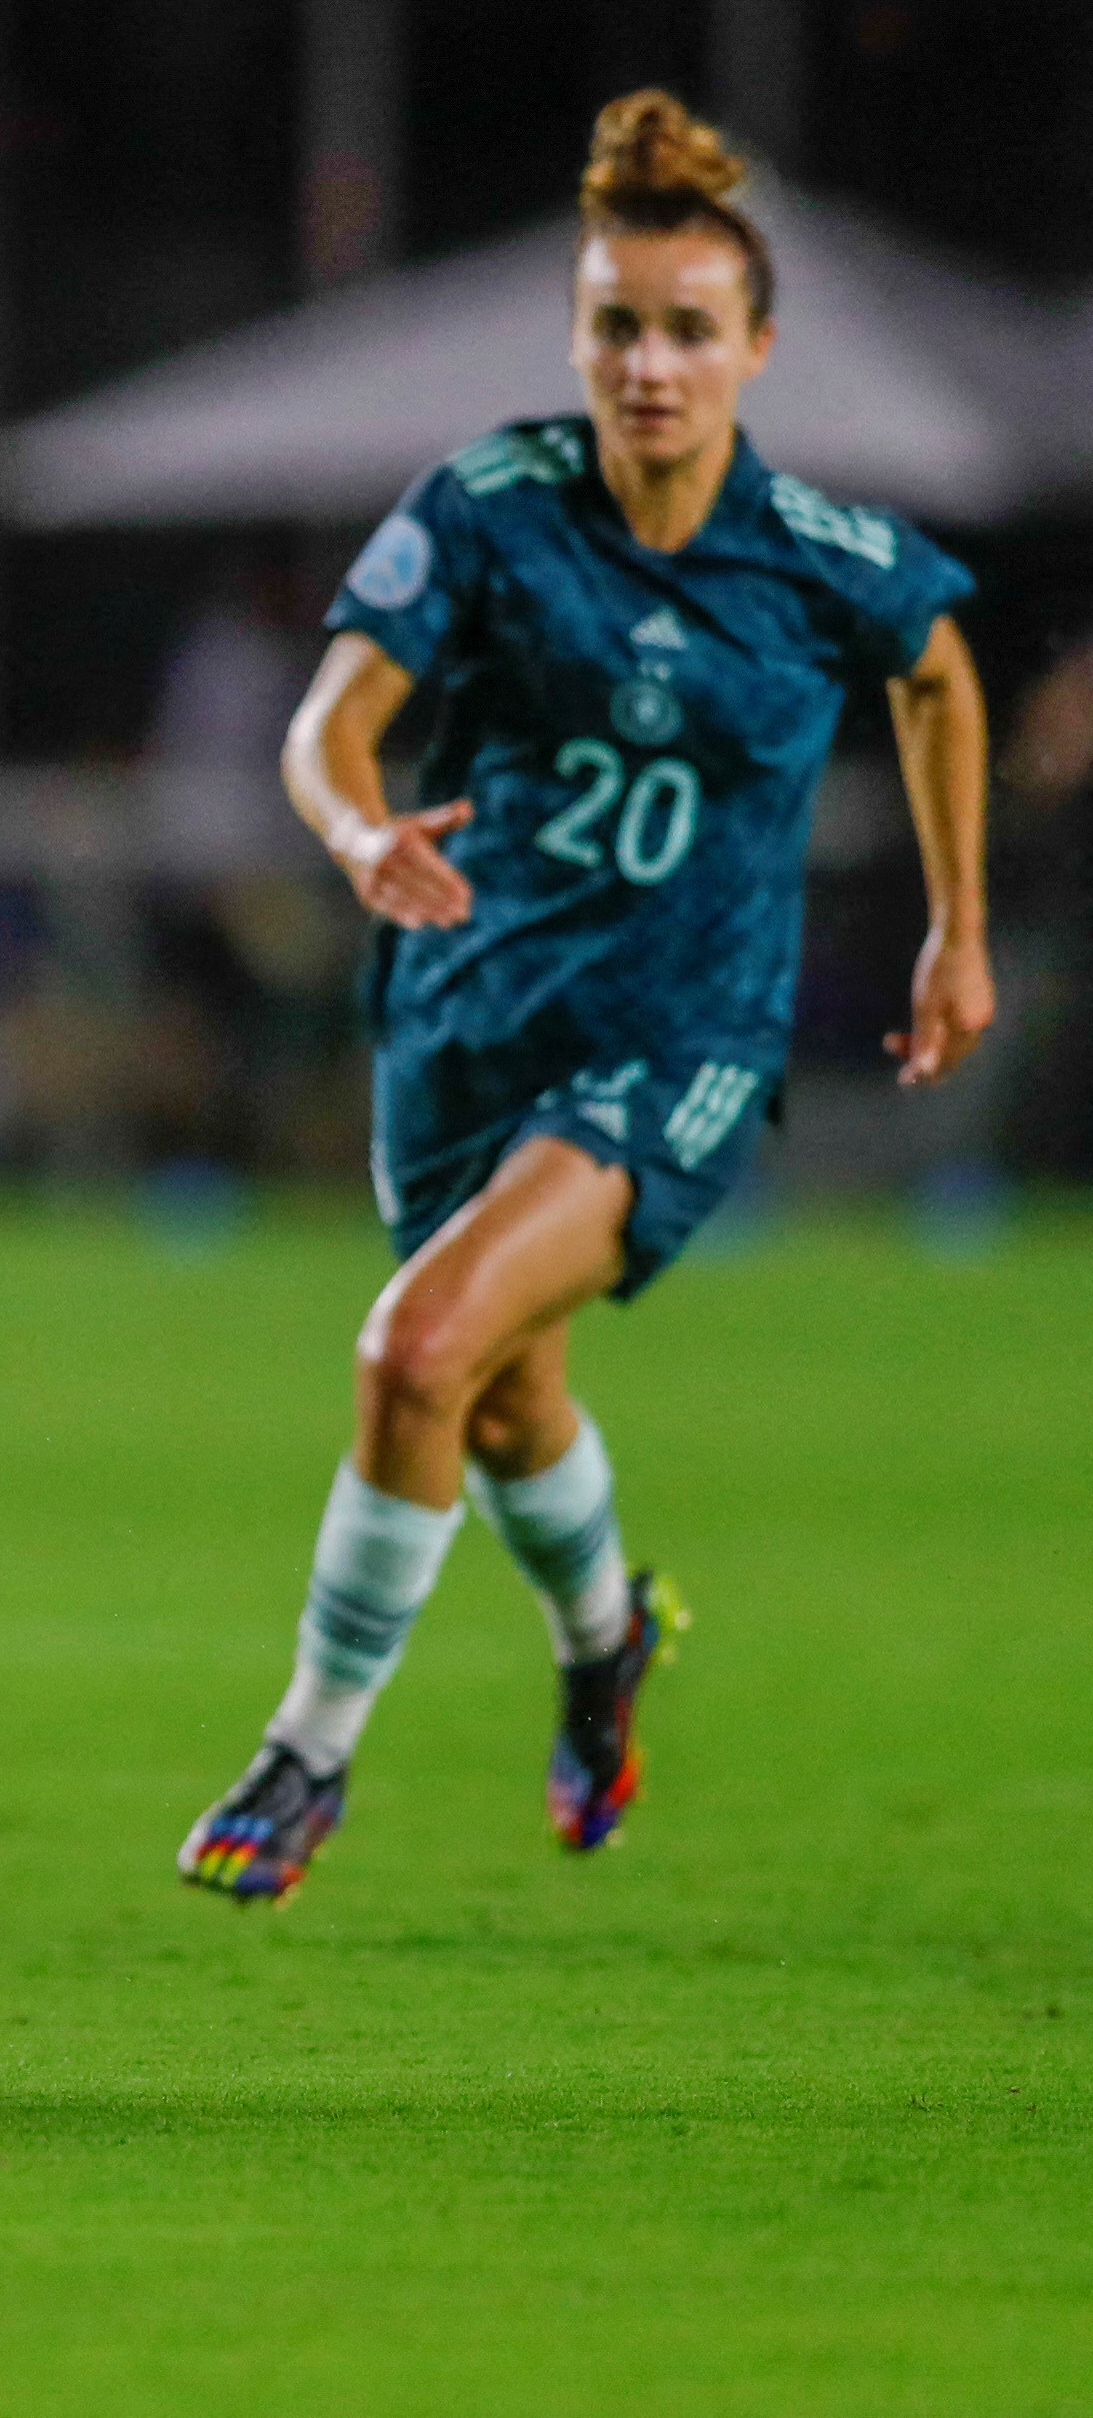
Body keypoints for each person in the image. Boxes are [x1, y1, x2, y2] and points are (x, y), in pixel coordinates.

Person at [177, 93, 995, 1903]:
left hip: (681, 1035)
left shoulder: (816, 555)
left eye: (689, 328)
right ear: (579, 334)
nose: (649, 361)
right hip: (465, 1012)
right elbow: (332, 730)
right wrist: (354, 829)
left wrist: (958, 926)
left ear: (754, 351)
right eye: (618, 322)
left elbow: (940, 672)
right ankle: (608, 1634)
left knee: (411, 1345)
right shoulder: (489, 506)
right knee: (498, 1392)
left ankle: (306, 1750)